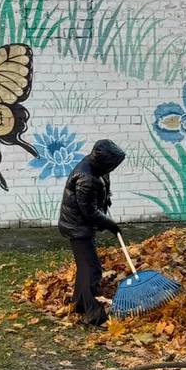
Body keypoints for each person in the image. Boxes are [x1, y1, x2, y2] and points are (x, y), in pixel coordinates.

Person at [57, 139, 125, 326]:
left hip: (82, 225)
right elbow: (89, 212)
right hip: (77, 228)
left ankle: (79, 304)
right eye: (112, 165)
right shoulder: (86, 178)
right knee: (92, 270)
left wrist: (106, 199)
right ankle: (94, 314)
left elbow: (102, 188)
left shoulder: (98, 169)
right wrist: (110, 224)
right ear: (103, 161)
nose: (113, 169)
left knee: (85, 266)